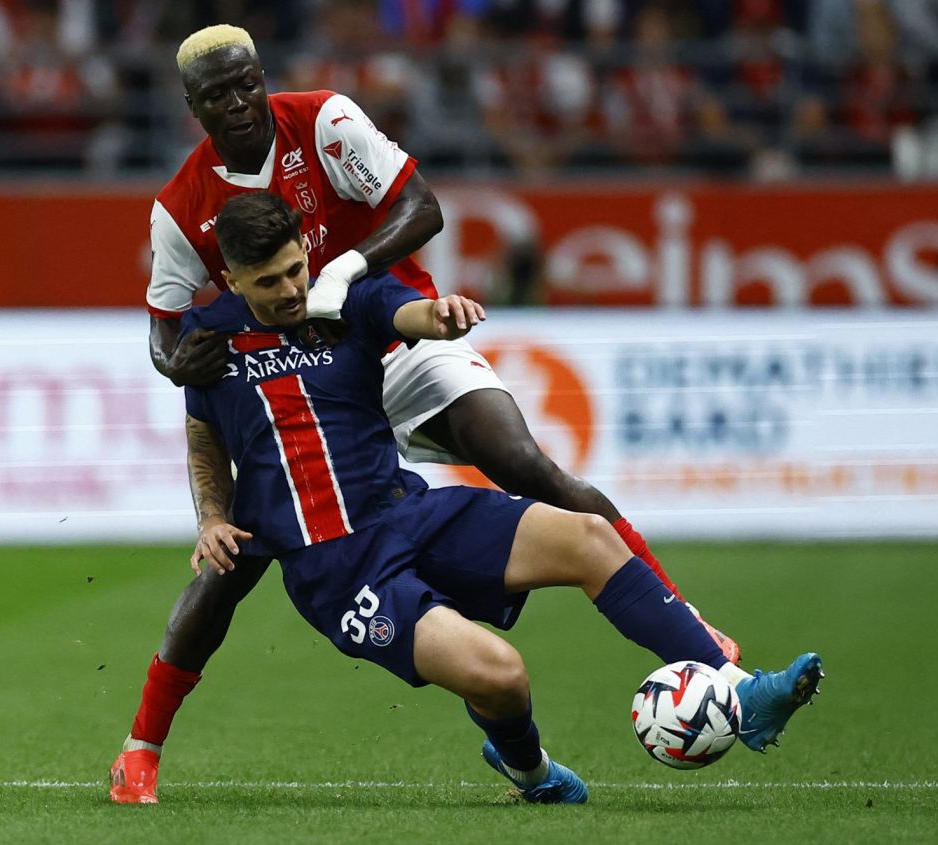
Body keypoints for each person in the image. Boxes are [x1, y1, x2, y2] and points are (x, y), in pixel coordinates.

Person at [117, 22, 739, 803]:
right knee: (233, 558)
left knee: (521, 461)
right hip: (296, 391)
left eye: (248, 83)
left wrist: (357, 280)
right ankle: (142, 745)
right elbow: (165, 335)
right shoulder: (182, 212)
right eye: (218, 95)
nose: (240, 102)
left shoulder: (325, 122)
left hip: (380, 325)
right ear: (192, 108)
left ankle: (693, 627)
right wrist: (179, 365)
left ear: (263, 76)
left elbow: (421, 206)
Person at [110, 192, 824, 805]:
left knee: (588, 536)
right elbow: (204, 434)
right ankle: (532, 769)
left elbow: (407, 314)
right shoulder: (211, 338)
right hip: (341, 571)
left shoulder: (342, 297)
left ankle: (741, 691)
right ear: (232, 277)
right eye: (270, 281)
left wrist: (440, 315)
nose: (292, 290)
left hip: (409, 512)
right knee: (503, 677)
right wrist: (211, 516)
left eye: (297, 267)